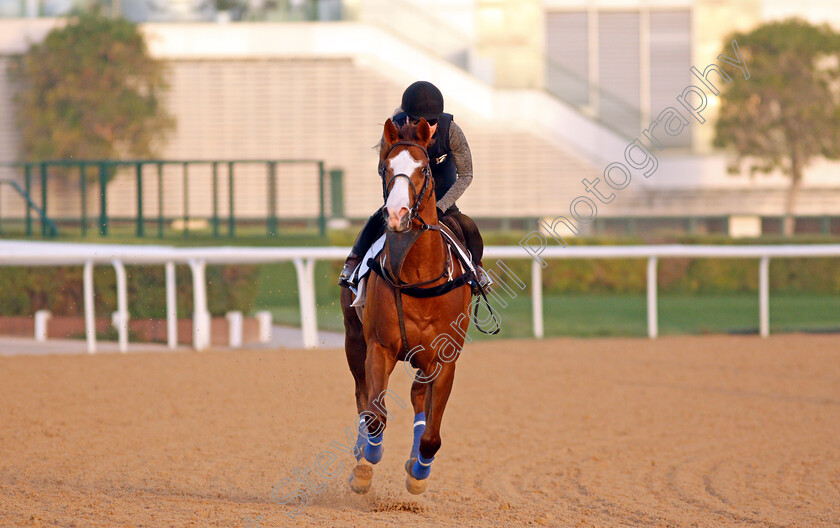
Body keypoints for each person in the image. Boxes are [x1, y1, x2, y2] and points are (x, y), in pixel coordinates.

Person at [338, 80, 490, 293]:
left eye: (432, 121)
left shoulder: (452, 131)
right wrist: (397, 202)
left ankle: (477, 271)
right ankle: (353, 264)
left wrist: (440, 206)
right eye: (417, 121)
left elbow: (466, 175)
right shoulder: (394, 128)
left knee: (468, 226)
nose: (424, 127)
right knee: (375, 222)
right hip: (406, 193)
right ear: (407, 118)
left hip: (441, 196)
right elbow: (384, 170)